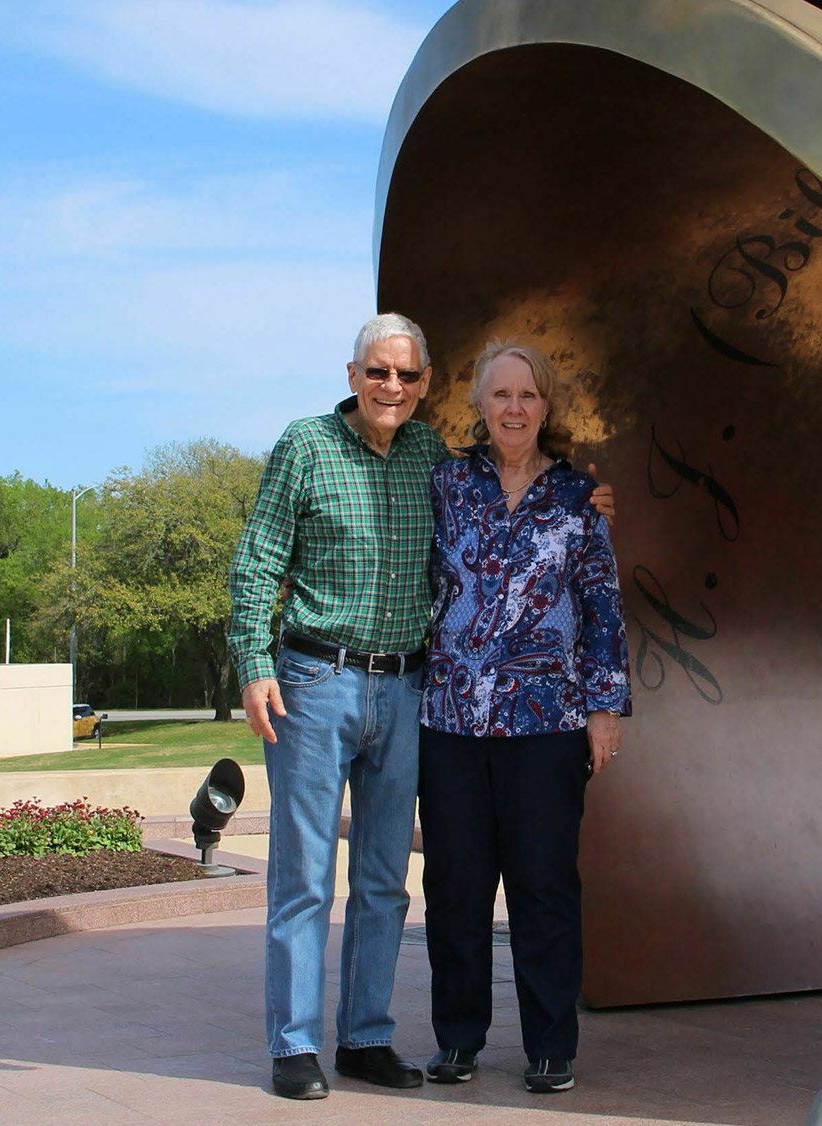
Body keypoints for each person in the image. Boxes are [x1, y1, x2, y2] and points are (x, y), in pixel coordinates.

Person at [227, 314, 615, 1101]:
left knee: (393, 880)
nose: (391, 387)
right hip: (355, 691)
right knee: (329, 877)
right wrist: (252, 660)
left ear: (429, 384)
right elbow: (259, 558)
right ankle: (304, 1044)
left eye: (406, 376)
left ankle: (374, 1037)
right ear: (353, 374)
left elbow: (591, 592)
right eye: (378, 372)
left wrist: (606, 704)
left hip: (442, 698)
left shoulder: (501, 479)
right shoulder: (357, 455)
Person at [417, 340, 630, 1095]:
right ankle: (458, 1040)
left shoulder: (578, 497)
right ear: (479, 403)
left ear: (546, 408)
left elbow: (602, 607)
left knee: (543, 886)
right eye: (500, 394)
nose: (513, 408)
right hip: (449, 722)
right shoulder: (445, 483)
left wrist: (606, 709)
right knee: (457, 887)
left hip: (547, 724)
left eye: (528, 396)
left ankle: (549, 1045)